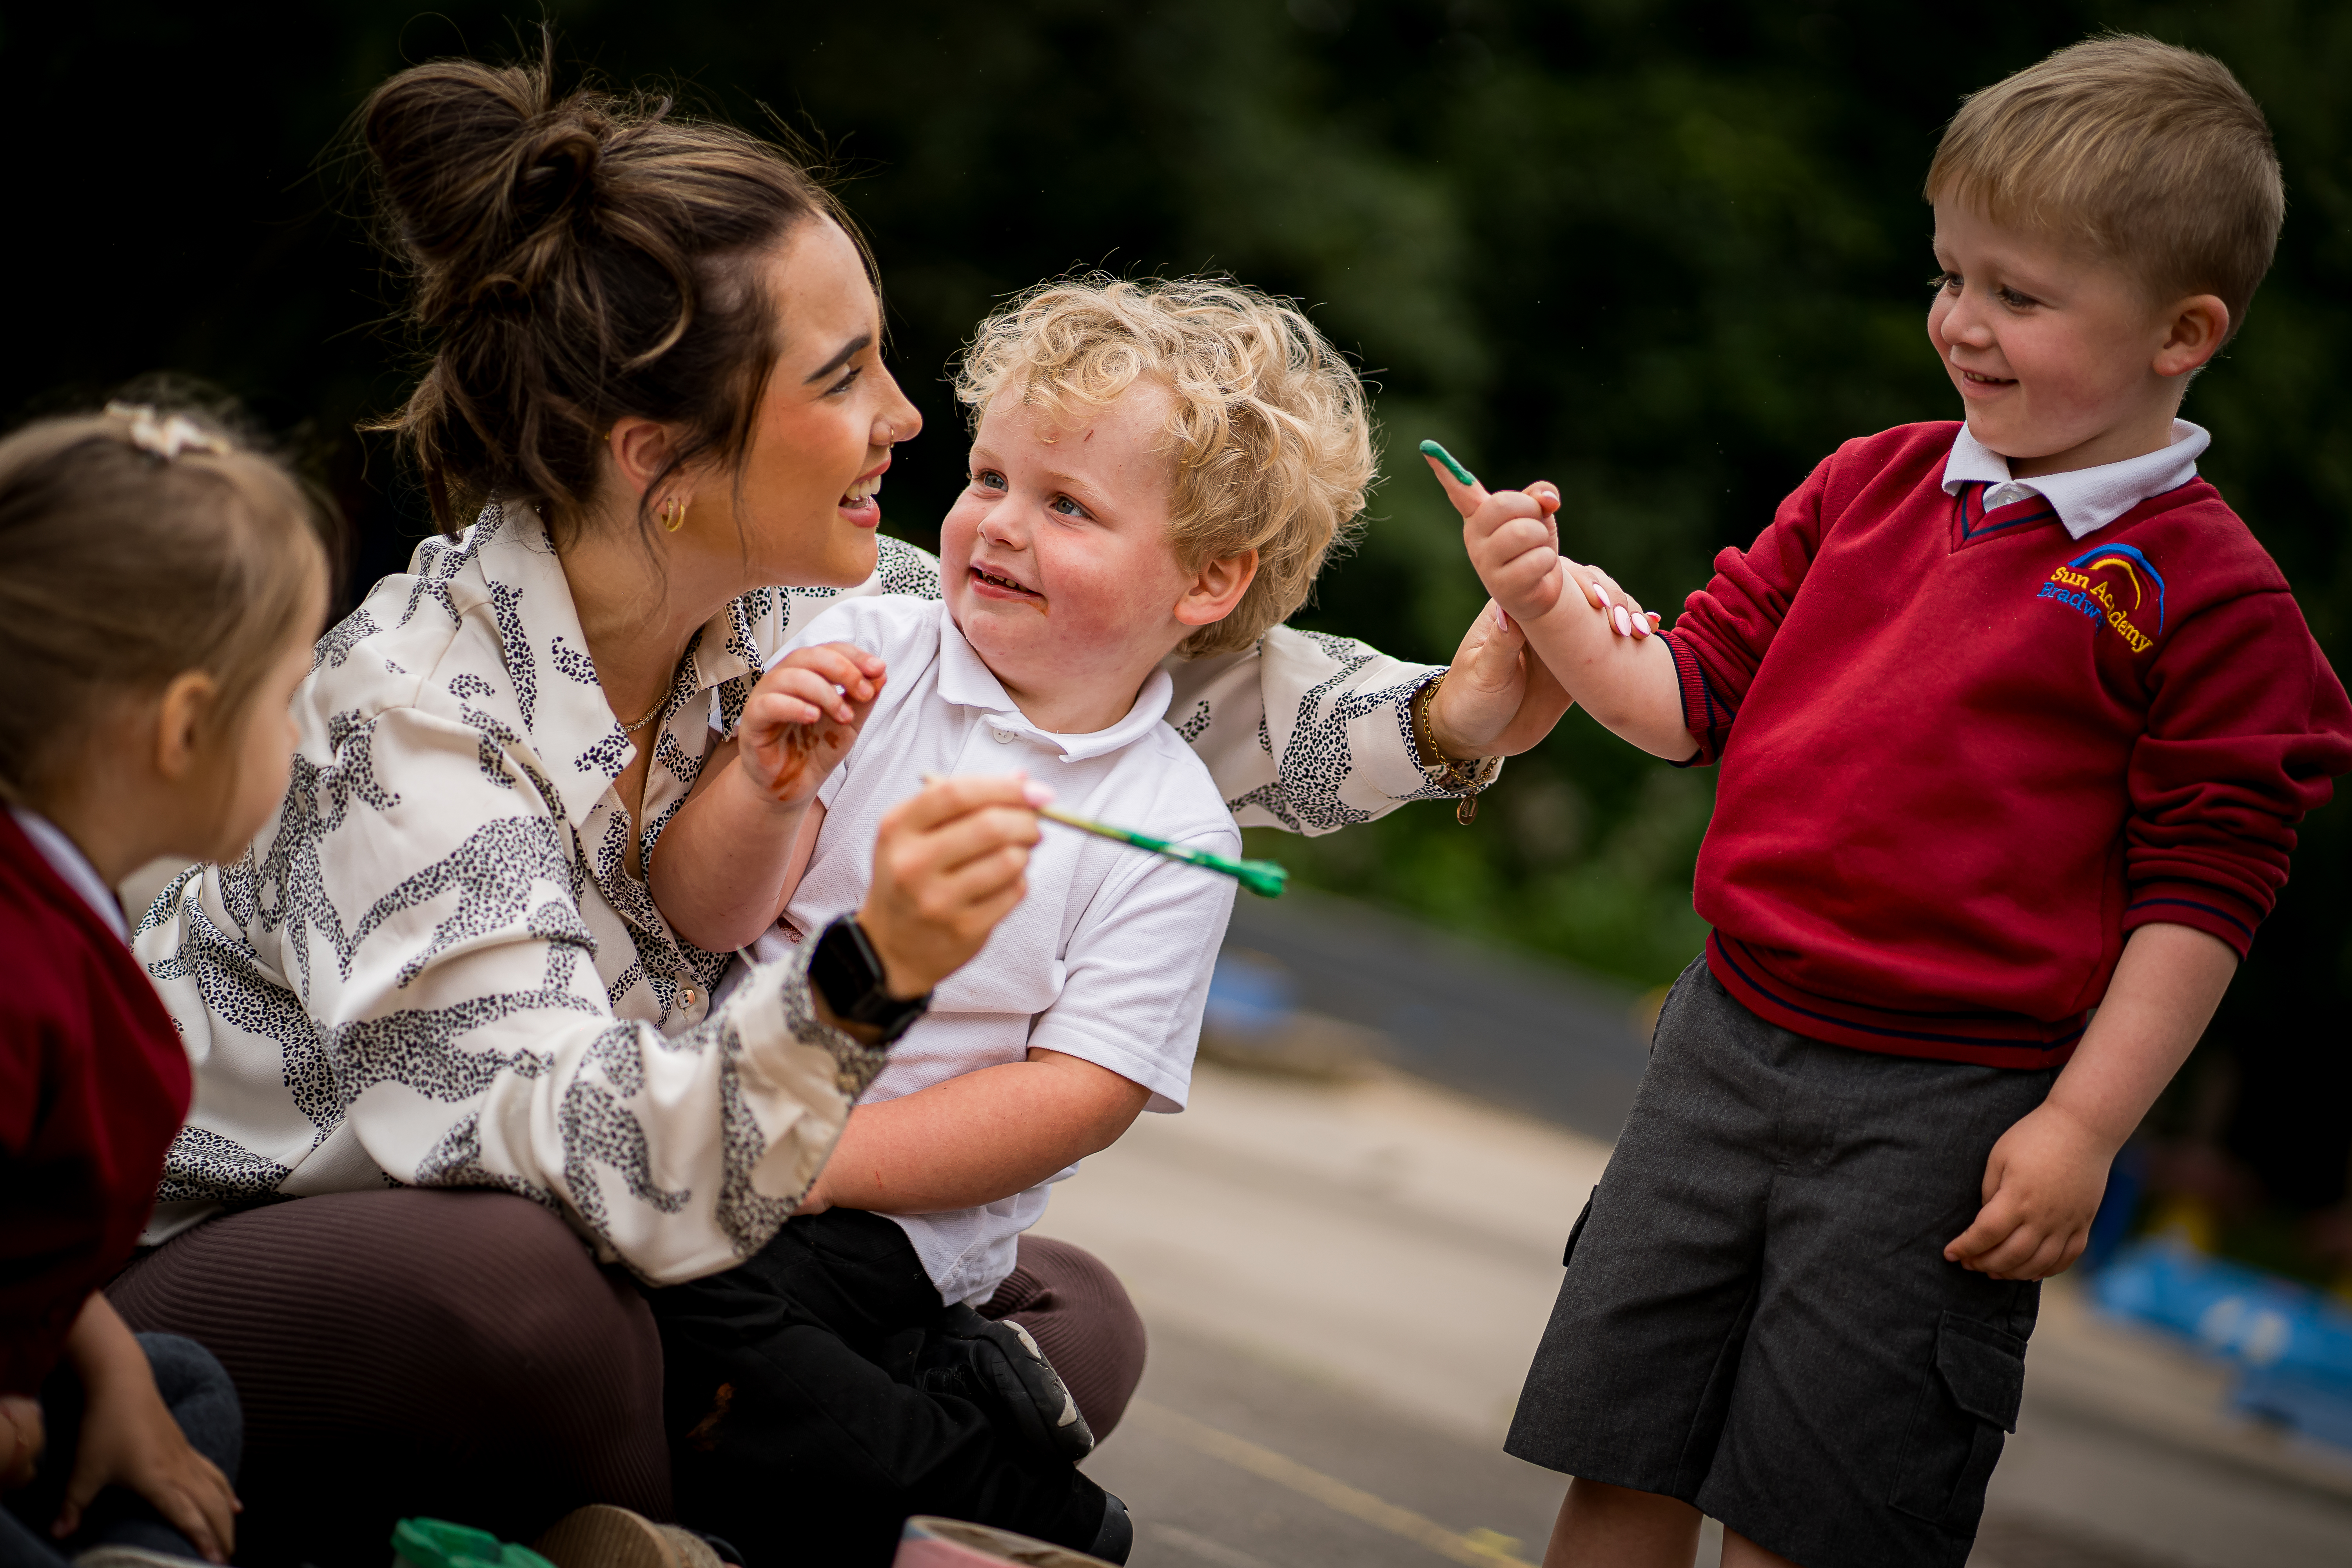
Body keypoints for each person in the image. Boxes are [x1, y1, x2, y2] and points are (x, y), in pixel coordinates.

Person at [116, 42, 1582, 1568]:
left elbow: (1148, 677)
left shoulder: (788, 605)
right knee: (552, 1300)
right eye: (844, 374)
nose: (902, 417)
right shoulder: (419, 720)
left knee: (1065, 1309)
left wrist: (1442, 716)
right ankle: (836, 1531)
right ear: (662, 456)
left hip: (692, 1211)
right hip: (273, 1264)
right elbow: (583, 1168)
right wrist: (862, 987)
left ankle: (690, 1509)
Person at [1439, 36, 2352, 1568]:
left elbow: (2203, 898)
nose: (1962, 325)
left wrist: (2082, 1125)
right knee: (1619, 1456)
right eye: (1950, 274)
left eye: (2021, 294)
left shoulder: (2216, 601)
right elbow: (1682, 702)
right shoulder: (1867, 481)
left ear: (2184, 331)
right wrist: (1543, 603)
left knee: (1818, 1515)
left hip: (1952, 1109)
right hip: (1722, 1046)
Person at [644, 274, 1377, 1563]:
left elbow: (1071, 1097)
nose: (999, 525)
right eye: (990, 478)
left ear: (1208, 580)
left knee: (696, 1306)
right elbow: (705, 917)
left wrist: (813, 1166)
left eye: (1069, 506)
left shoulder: (1174, 826)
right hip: (711, 1115)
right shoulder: (867, 645)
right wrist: (764, 789)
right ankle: (942, 1444)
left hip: (878, 1219)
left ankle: (1032, 1517)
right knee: (649, 1291)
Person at [2, 403, 332, 1568]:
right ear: (188, 726)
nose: (306, 739)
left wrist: (85, 1364)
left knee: (173, 1380)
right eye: (288, 697)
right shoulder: (20, 979)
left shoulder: (60, 918)